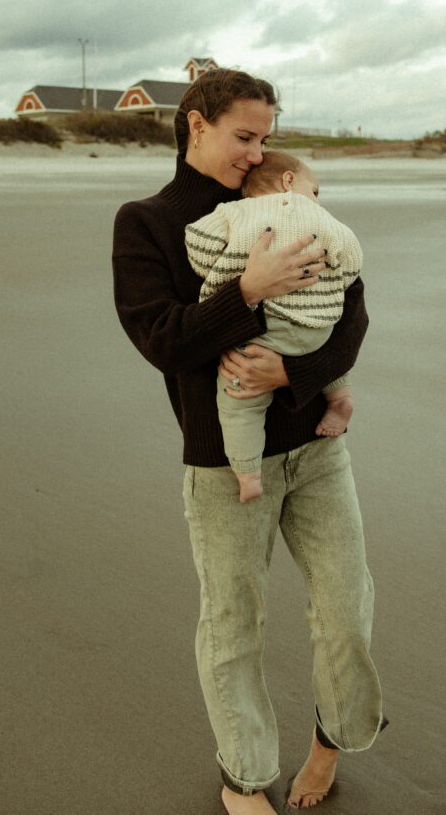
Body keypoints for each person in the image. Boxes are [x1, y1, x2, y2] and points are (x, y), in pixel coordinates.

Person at [112, 68, 385, 814]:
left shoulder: (284, 194)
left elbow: (351, 314)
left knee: (344, 608)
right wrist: (247, 292)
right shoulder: (148, 222)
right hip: (224, 463)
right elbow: (162, 339)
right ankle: (242, 776)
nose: (254, 152)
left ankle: (329, 744)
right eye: (242, 136)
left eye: (264, 138)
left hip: (319, 451)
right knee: (233, 623)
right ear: (194, 122)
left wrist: (294, 372)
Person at [185, 150, 361, 503]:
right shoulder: (324, 218)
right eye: (315, 190)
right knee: (321, 345)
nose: (316, 199)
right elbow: (353, 260)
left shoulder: (236, 211)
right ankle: (339, 398)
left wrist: (225, 266)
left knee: (241, 401)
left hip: (266, 332)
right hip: (319, 327)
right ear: (289, 180)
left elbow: (200, 245)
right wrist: (332, 279)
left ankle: (247, 473)